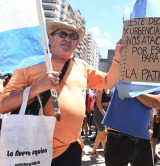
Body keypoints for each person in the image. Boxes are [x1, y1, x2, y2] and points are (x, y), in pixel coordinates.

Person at [0, 19, 125, 166]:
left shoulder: (82, 67)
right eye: (63, 34)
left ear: (77, 44)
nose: (68, 39)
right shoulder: (30, 64)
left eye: (73, 36)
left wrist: (118, 57)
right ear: (50, 38)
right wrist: (37, 88)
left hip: (70, 150)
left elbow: (108, 82)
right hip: (31, 150)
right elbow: (3, 105)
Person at [103, 86, 160, 166]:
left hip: (142, 139)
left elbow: (158, 103)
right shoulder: (121, 77)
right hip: (117, 135)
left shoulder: (150, 82)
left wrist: (133, 92)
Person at [89, 88, 111, 159]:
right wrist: (105, 115)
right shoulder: (99, 89)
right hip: (99, 113)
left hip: (106, 111)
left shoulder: (109, 89)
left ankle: (93, 152)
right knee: (104, 133)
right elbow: (98, 104)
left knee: (100, 133)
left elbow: (110, 102)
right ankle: (107, 156)